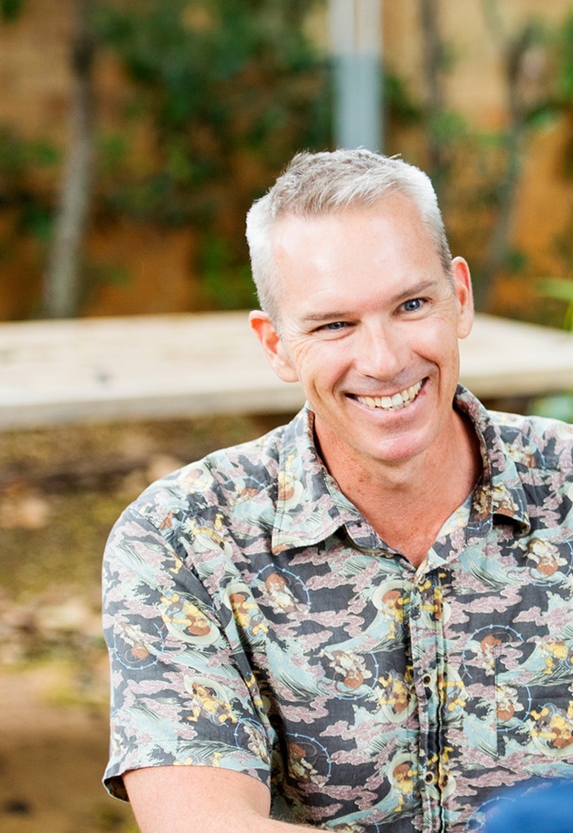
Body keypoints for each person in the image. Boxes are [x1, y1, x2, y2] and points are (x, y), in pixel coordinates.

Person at [102, 149, 573, 831]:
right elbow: (201, 823)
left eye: (412, 305)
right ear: (275, 344)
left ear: (460, 297)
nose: (384, 360)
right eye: (334, 325)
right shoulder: (185, 537)